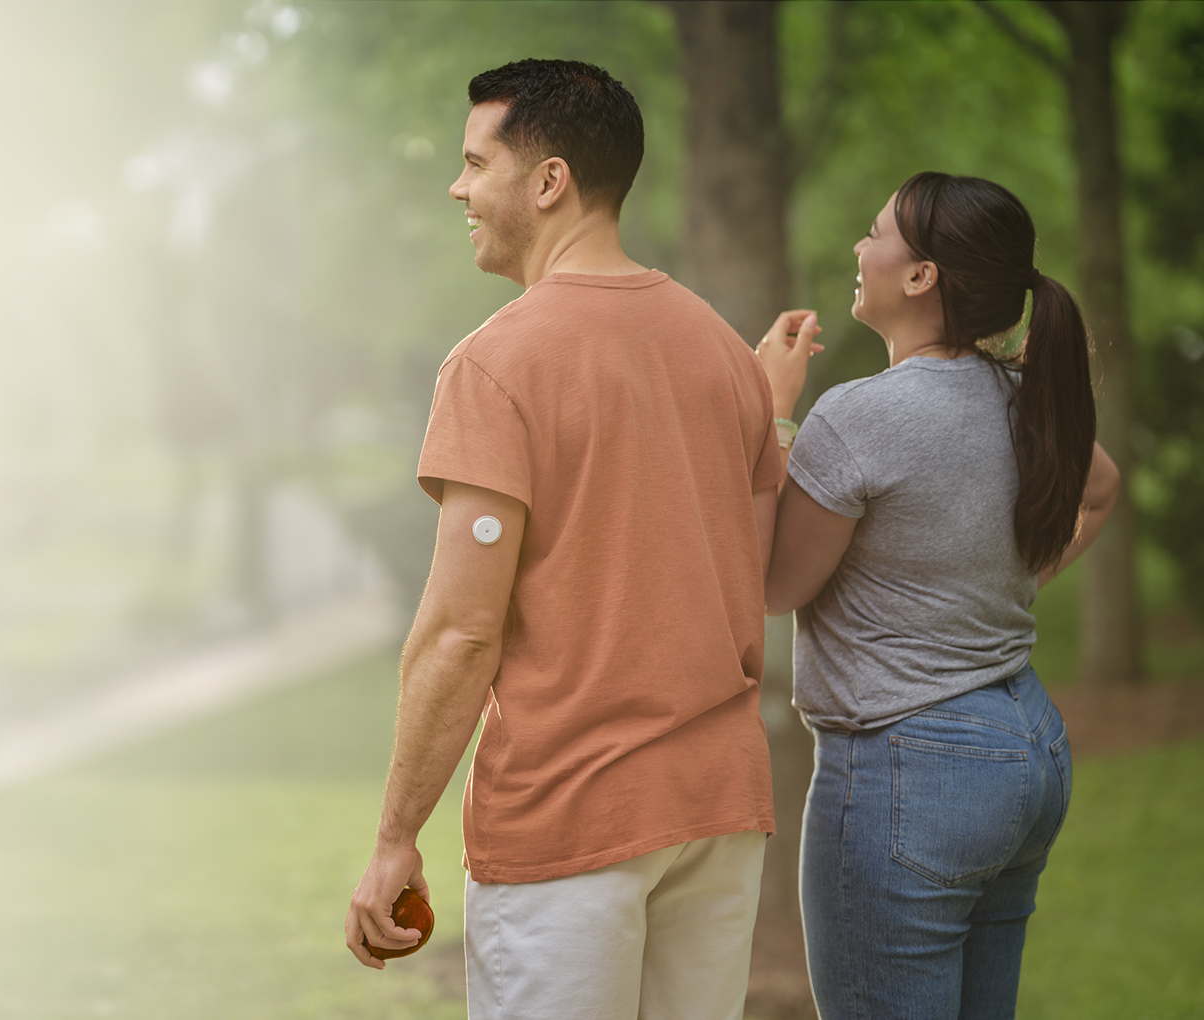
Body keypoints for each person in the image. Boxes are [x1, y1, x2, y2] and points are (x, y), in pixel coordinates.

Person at [344, 58, 787, 1019]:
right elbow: (757, 570)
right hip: (718, 811)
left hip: (570, 816)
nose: (458, 187)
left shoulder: (497, 363)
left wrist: (394, 837)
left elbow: (463, 633)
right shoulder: (722, 350)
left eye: (474, 163)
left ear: (549, 183)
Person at [755, 171, 1121, 1019]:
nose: (859, 246)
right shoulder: (1026, 397)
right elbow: (1100, 491)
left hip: (909, 773)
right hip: (1027, 748)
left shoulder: (857, 418)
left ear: (922, 276)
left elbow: (775, 585)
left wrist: (771, 413)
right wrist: (1009, 577)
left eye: (875, 231)